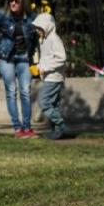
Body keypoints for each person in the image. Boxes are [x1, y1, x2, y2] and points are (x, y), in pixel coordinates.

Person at [0, 0, 37, 137]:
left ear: (23, 3)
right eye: (11, 0)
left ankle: (27, 128)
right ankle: (17, 128)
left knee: (25, 92)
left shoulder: (31, 17)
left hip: (24, 57)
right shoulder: (2, 15)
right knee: (11, 91)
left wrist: (32, 52)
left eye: (16, 1)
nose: (13, 3)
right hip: (6, 57)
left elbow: (35, 37)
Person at [32, 11, 69, 140]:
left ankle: (60, 123)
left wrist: (46, 68)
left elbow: (61, 58)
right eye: (36, 28)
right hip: (49, 77)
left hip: (54, 78)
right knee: (53, 104)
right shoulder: (45, 40)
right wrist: (39, 67)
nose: (37, 30)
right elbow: (46, 58)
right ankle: (57, 131)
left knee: (44, 101)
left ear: (47, 26)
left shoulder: (54, 39)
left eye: (40, 28)